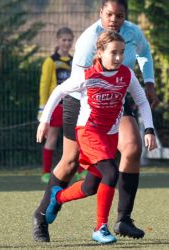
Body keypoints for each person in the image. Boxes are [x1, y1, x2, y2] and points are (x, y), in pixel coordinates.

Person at [32, 0, 160, 242]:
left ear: (125, 16)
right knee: (70, 162)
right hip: (84, 103)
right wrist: (50, 119)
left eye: (120, 15)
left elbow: (145, 54)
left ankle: (123, 219)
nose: (114, 19)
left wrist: (150, 83)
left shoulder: (131, 36)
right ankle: (42, 213)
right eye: (109, 14)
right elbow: (71, 87)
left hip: (116, 95)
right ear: (101, 12)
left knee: (132, 148)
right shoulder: (88, 41)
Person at [38, 27, 83, 183]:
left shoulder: (74, 61)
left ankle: (81, 170)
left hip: (72, 105)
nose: (67, 43)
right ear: (58, 41)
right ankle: (45, 172)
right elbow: (44, 85)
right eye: (64, 40)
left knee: (79, 138)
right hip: (56, 106)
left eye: (70, 40)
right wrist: (43, 108)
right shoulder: (51, 61)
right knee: (52, 138)